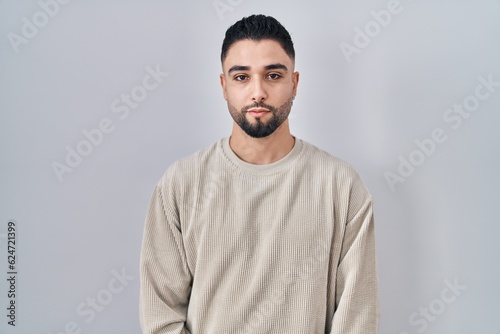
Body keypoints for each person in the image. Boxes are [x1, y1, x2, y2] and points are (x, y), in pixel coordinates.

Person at [139, 14, 379, 334]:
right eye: (241, 77)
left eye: (273, 75)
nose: (258, 93)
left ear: (294, 83)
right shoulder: (181, 184)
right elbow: (160, 315)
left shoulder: (341, 186)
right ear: (223, 86)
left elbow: (357, 317)